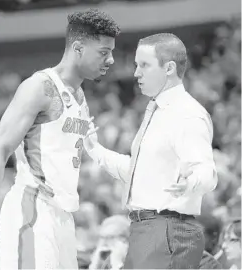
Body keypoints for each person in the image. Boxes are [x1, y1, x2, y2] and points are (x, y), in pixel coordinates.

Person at [0, 9, 120, 269]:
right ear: (78, 48)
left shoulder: (80, 97)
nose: (111, 60)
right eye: (104, 52)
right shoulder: (39, 87)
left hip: (64, 216)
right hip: (33, 210)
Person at [84, 33, 218, 269]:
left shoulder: (187, 113)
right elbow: (139, 174)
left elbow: (207, 172)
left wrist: (191, 182)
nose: (136, 73)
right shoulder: (158, 112)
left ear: (169, 68)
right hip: (146, 229)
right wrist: (96, 150)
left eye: (144, 65)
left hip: (167, 229)